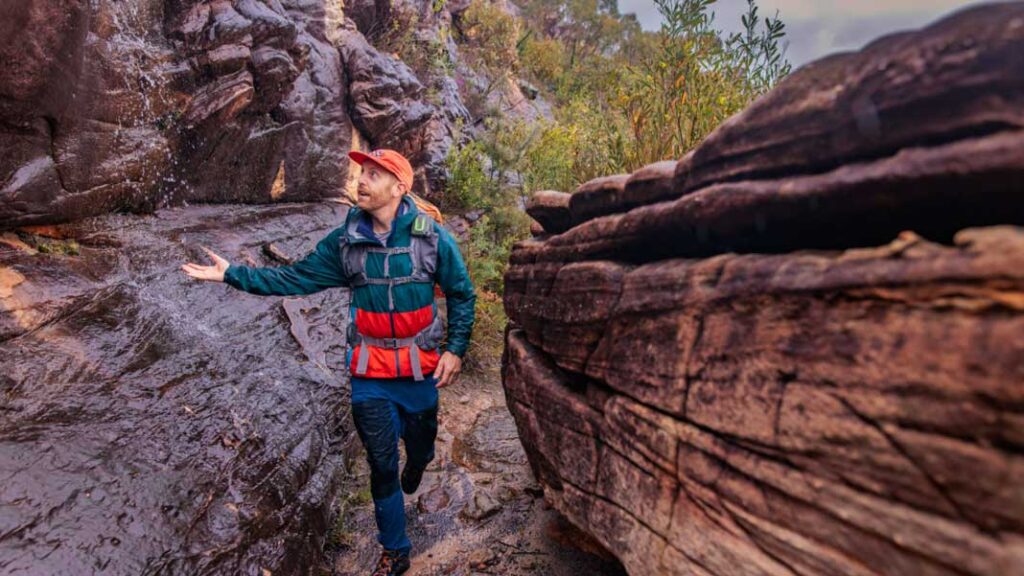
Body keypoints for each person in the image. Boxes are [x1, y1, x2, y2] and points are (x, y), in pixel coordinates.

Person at [181, 149, 476, 576]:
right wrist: (232, 274)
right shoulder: (345, 243)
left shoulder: (431, 239)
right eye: (361, 173)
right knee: (380, 463)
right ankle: (395, 551)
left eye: (374, 175)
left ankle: (420, 459)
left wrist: (456, 348)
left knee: (421, 444)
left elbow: (462, 294)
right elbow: (293, 278)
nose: (362, 180)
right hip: (369, 374)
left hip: (420, 372)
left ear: (399, 187)